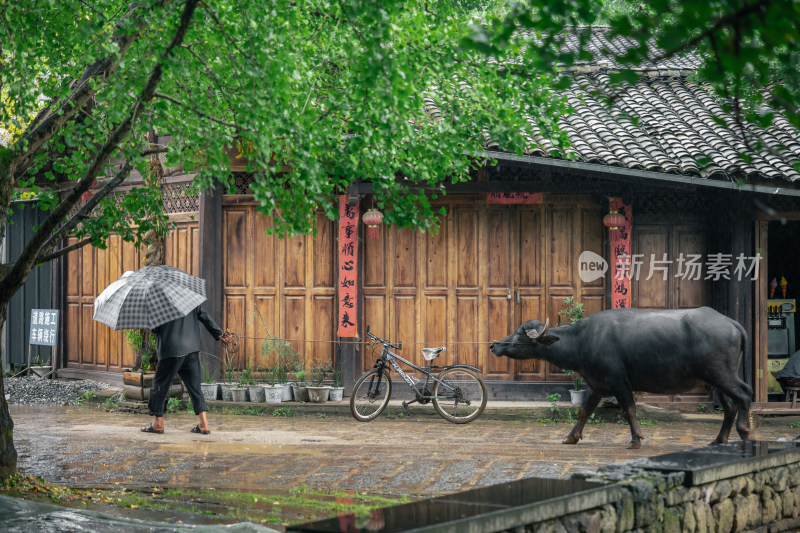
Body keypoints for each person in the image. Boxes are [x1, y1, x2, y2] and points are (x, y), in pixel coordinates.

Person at [141, 306, 231, 435]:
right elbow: (203, 314)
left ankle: (158, 424)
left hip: (171, 350)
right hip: (192, 348)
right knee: (195, 388)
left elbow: (156, 329)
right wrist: (219, 333)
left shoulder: (159, 303)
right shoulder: (186, 297)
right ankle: (204, 424)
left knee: (159, 386)